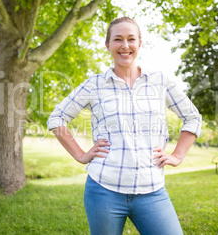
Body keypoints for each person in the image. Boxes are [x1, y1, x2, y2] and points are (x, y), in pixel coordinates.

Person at [47, 17, 202, 235]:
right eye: (118, 39)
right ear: (108, 44)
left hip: (152, 191)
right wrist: (81, 155)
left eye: (131, 39)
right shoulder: (95, 85)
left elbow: (193, 117)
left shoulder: (160, 81)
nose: (125, 45)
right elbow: (57, 118)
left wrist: (177, 156)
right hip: (103, 191)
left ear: (140, 44)